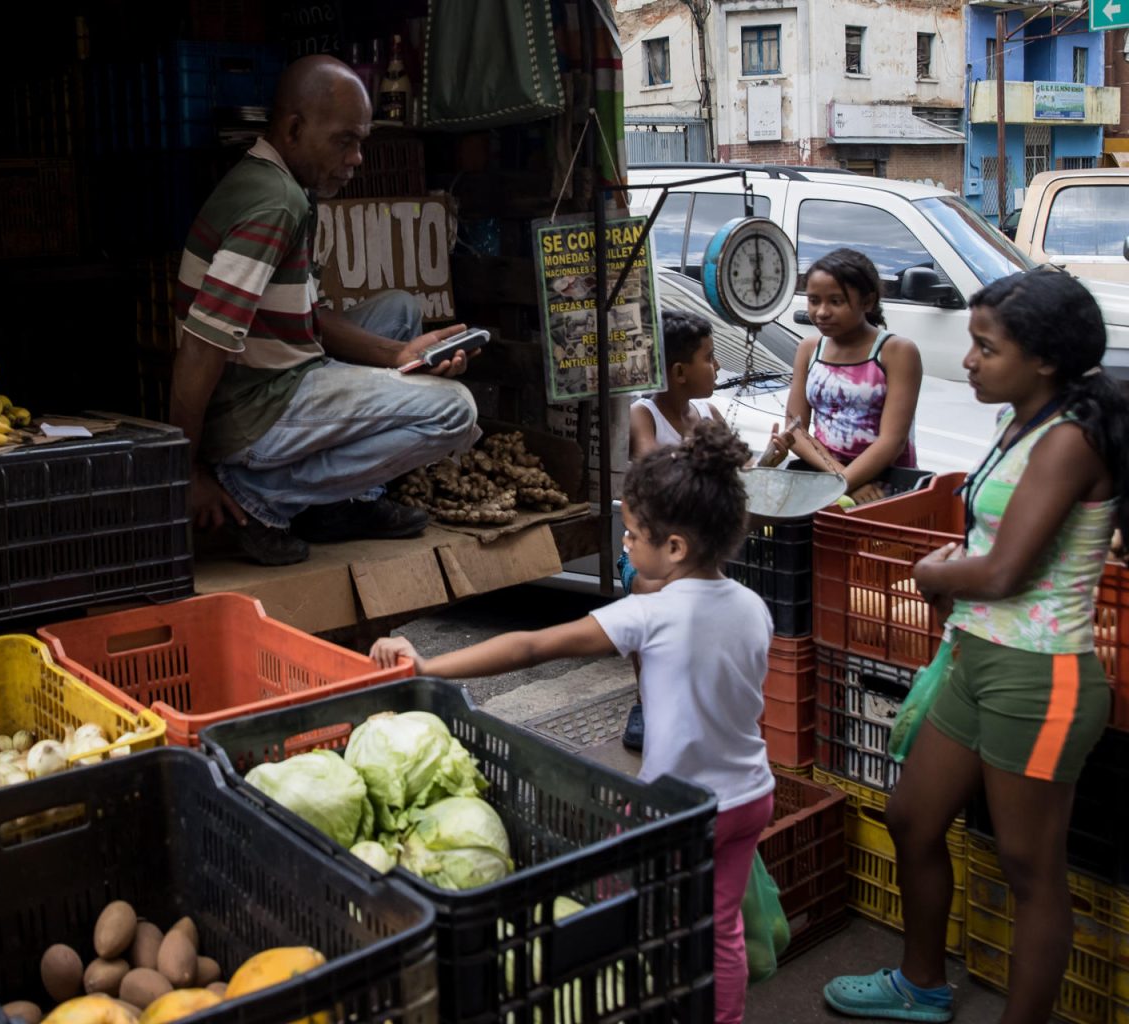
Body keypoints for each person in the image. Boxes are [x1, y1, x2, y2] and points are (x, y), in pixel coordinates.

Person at [372, 419, 775, 1024]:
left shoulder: (653, 615)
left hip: (679, 808)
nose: (627, 543)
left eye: (634, 535)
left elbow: (534, 647)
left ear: (675, 549)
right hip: (749, 795)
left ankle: (634, 995)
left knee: (618, 898)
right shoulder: (752, 607)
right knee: (719, 927)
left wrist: (430, 665)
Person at [824, 270, 1128, 1024]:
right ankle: (921, 986)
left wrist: (932, 570)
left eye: (986, 349)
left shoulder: (1069, 440)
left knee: (1032, 870)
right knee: (912, 818)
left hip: (1041, 676)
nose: (969, 361)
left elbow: (1000, 570)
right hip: (973, 657)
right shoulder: (1022, 418)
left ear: (1045, 361)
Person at [169, 55, 479, 567]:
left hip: (277, 377)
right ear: (294, 129)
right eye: (344, 141)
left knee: (400, 311)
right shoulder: (275, 206)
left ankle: (338, 504)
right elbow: (201, 347)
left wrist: (399, 353)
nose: (357, 158)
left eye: (361, 141)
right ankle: (258, 495)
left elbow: (306, 320)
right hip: (255, 410)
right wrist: (187, 472)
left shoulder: (278, 184)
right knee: (453, 411)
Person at [619, 308, 725, 751]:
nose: (717, 367)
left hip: (697, 550)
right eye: (710, 358)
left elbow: (739, 472)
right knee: (649, 591)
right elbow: (652, 466)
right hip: (652, 552)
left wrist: (771, 454)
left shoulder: (709, 412)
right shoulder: (644, 412)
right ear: (680, 372)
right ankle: (646, 701)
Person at [766, 248, 922, 503]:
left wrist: (844, 483)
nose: (822, 312)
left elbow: (893, 441)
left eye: (836, 301)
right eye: (814, 300)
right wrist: (843, 482)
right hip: (828, 484)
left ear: (867, 302)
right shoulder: (809, 350)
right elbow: (796, 431)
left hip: (885, 490)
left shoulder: (897, 352)